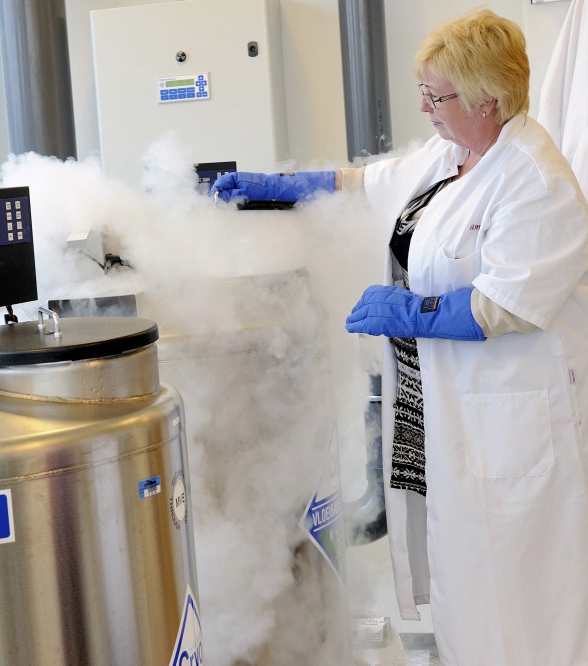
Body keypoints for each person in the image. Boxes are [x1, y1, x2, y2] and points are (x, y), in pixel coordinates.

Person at [212, 9, 588, 666]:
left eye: (436, 95)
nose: (424, 105)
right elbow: (366, 183)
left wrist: (409, 312)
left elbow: (504, 308)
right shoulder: (454, 154)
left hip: (509, 430)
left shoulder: (537, 182)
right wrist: (284, 186)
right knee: (467, 595)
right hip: (449, 421)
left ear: (488, 99)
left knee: (519, 609)